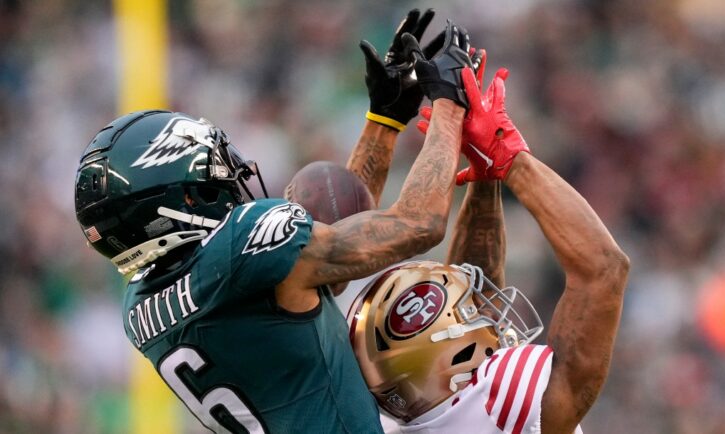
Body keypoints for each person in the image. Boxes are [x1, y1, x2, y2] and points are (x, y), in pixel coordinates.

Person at [73, 13, 476, 434]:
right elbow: (419, 224)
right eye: (210, 172)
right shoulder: (241, 247)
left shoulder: (139, 305)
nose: (227, 179)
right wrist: (449, 102)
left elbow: (327, 261)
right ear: (180, 198)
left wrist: (384, 121)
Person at [347, 62, 630, 433]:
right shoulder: (504, 411)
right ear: (450, 357)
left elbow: (476, 284)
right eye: (469, 317)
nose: (486, 317)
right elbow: (605, 269)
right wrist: (509, 157)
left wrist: (484, 177)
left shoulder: (401, 419)